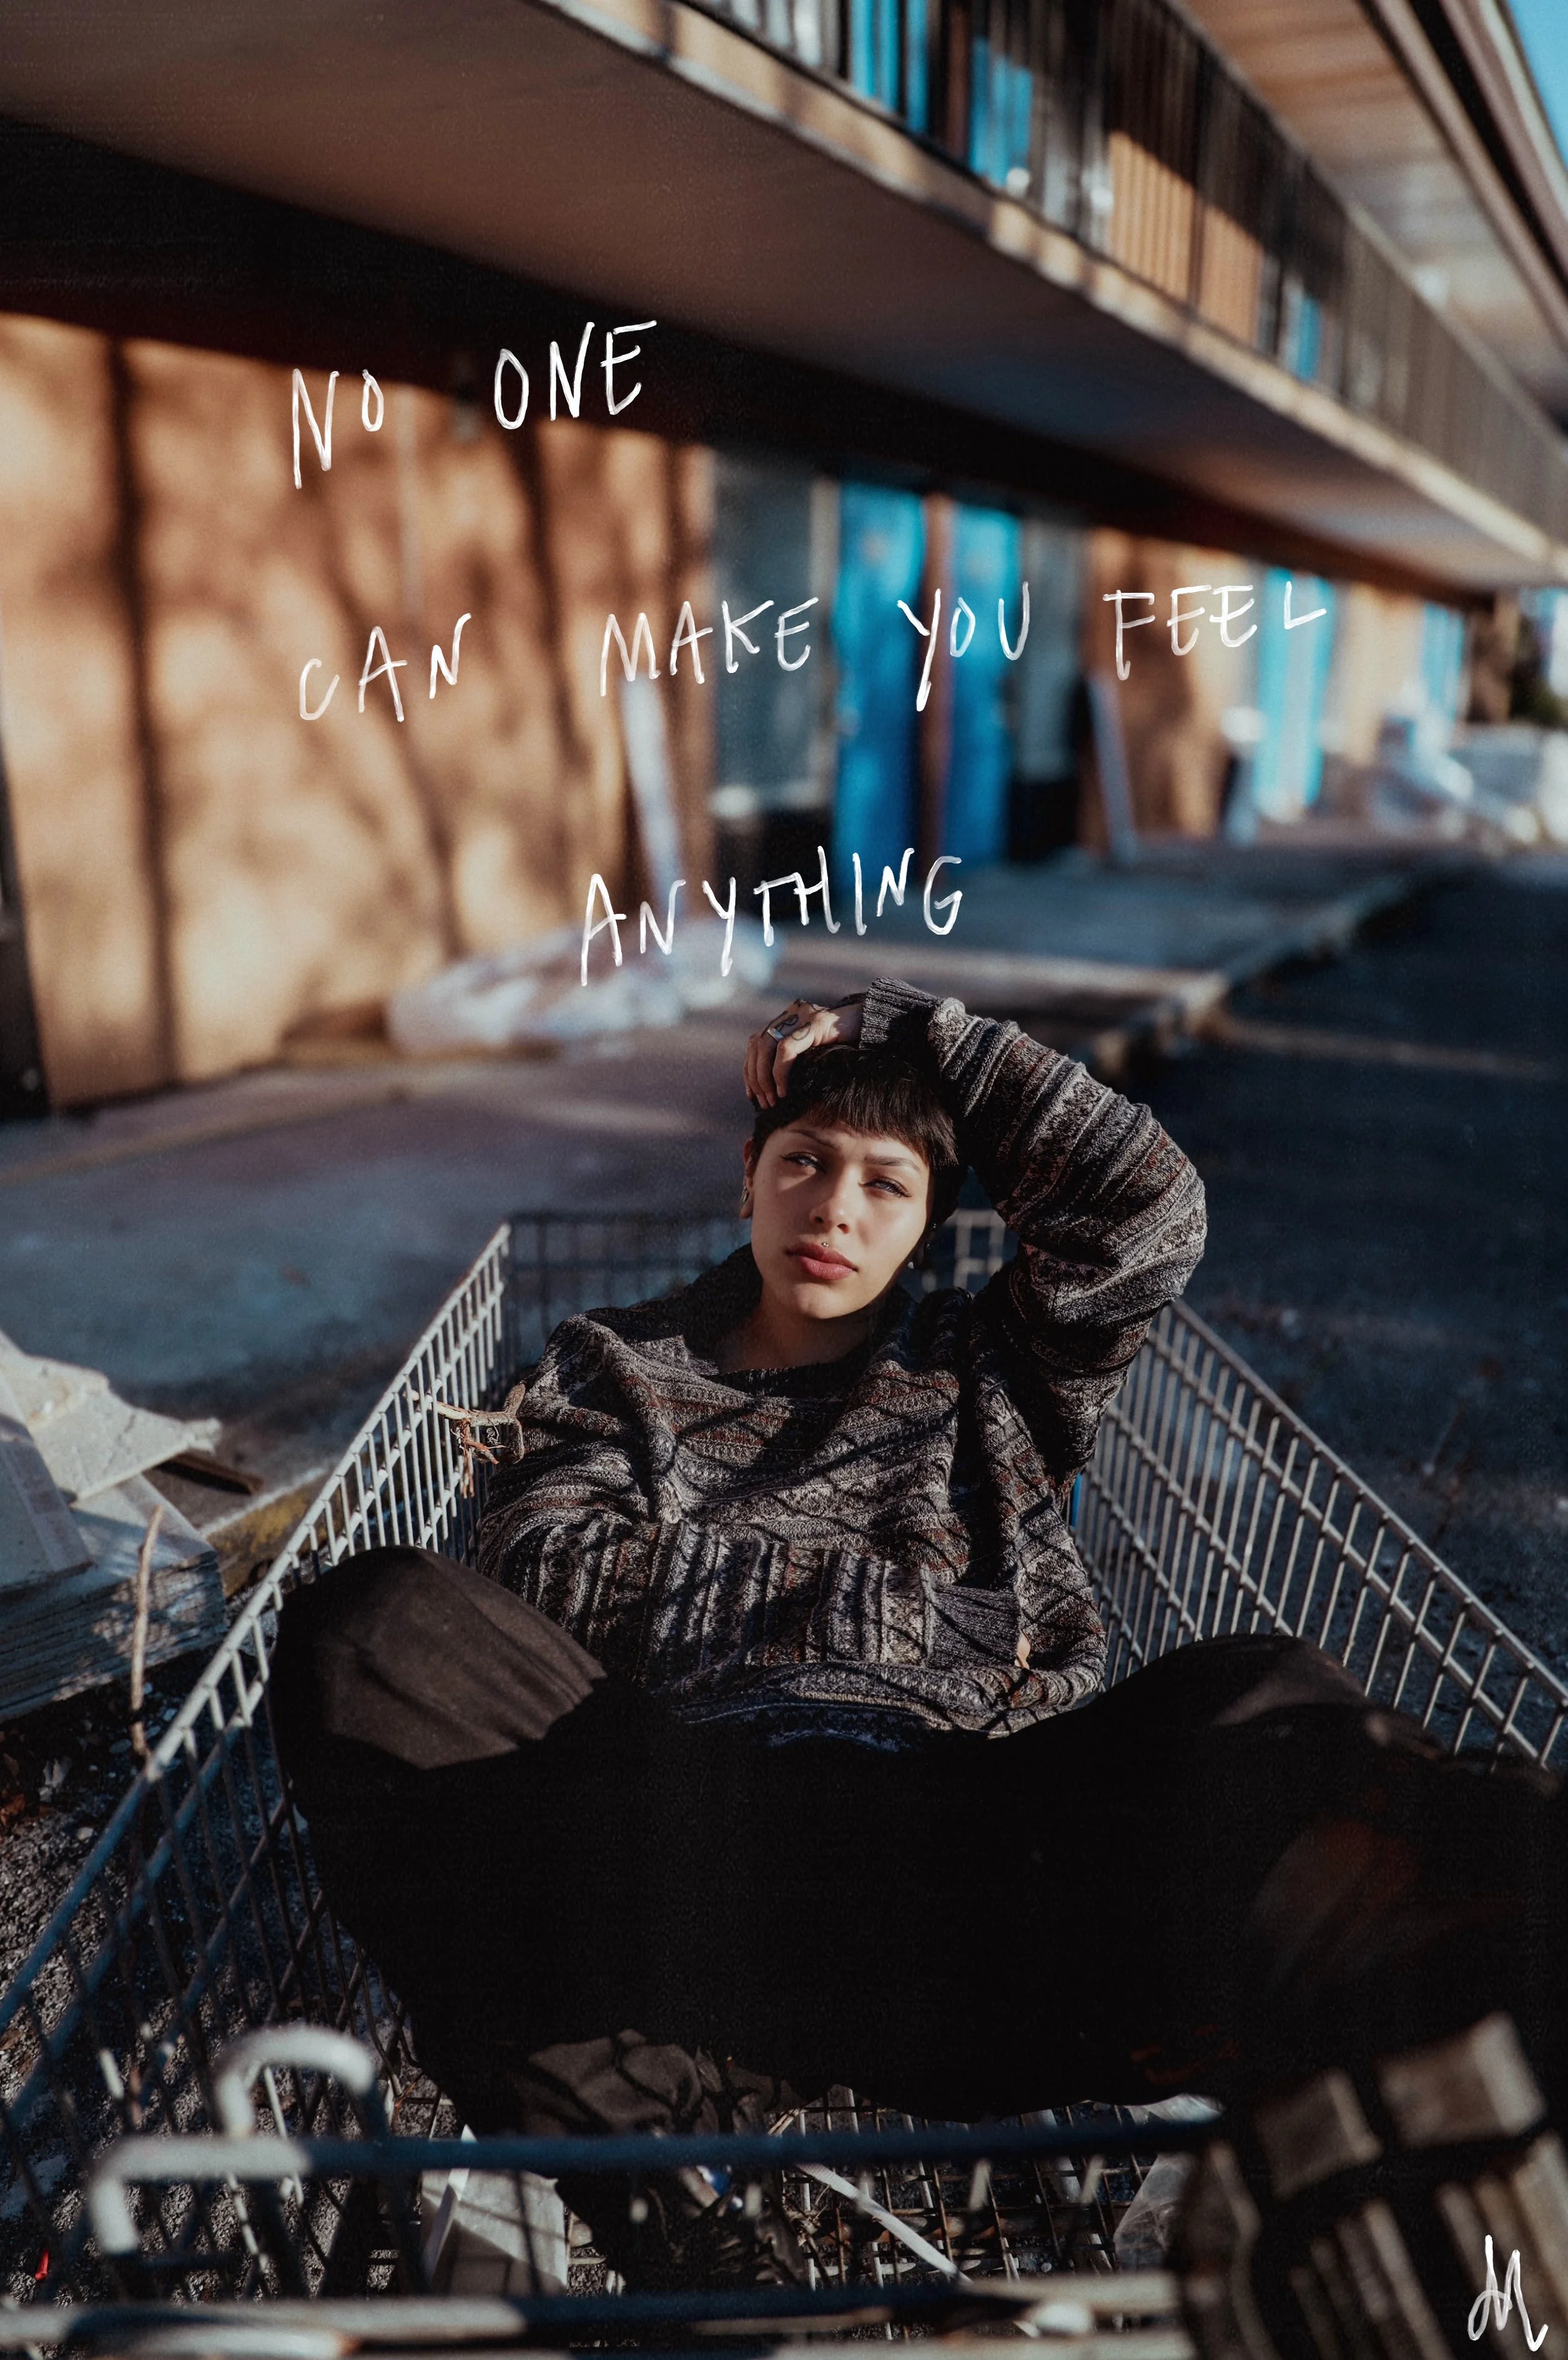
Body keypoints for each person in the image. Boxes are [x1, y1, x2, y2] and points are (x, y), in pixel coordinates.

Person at [271, 980, 1566, 2295]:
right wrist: (875, 1607)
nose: (833, 1207)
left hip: (962, 1862)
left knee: (1265, 1692)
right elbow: (549, 1578)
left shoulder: (991, 1372)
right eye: (803, 1163)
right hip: (693, 1845)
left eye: (886, 1186)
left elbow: (1144, 1211)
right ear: (747, 1180)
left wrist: (906, 1032)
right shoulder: (611, 1372)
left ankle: (1463, 2101)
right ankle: (697, 2219)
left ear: (934, 1222)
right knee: (370, 1627)